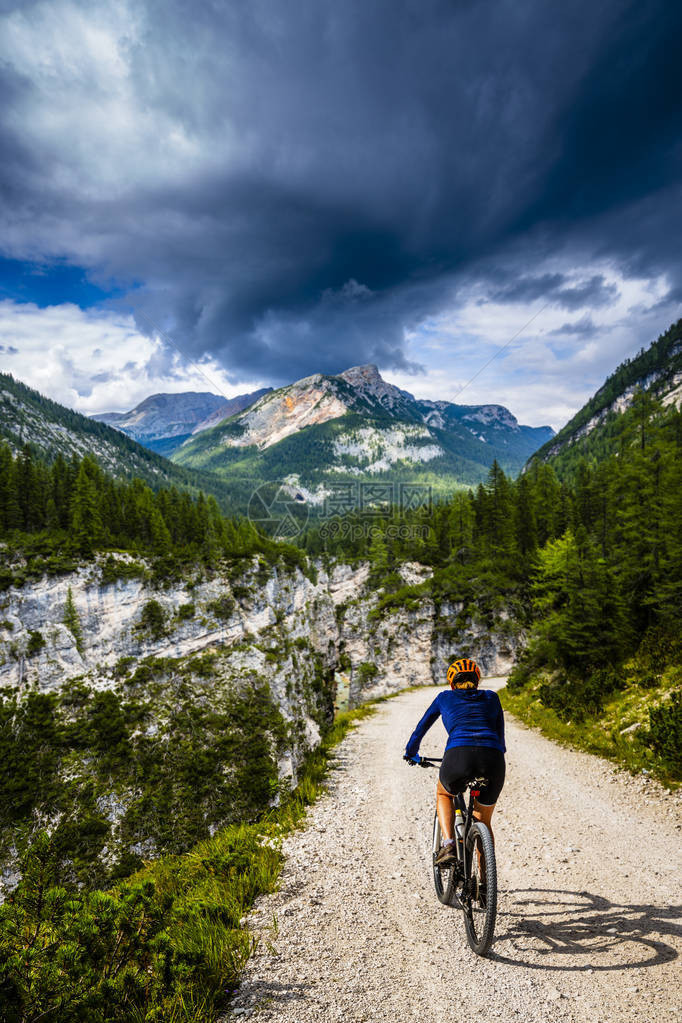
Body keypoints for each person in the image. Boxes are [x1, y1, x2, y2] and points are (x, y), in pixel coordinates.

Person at [403, 657, 506, 867]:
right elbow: (500, 738)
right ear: (477, 680)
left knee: (444, 793)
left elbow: (421, 729)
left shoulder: (444, 697)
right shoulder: (492, 698)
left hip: (458, 756)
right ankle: (486, 887)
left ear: (452, 683)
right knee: (482, 820)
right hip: (493, 759)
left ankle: (448, 844)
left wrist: (411, 752)